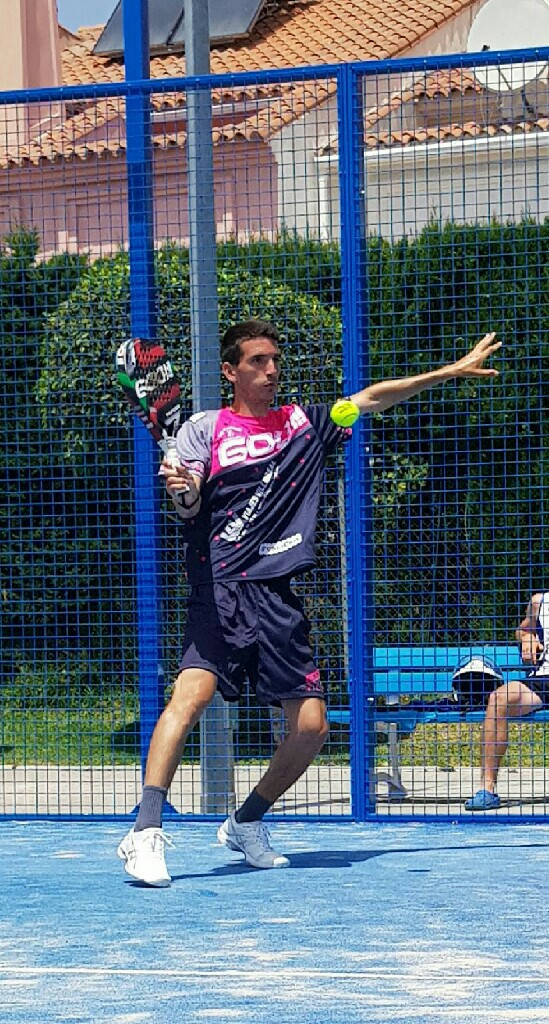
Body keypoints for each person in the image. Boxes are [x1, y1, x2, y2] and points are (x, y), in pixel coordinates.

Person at [117, 319, 500, 886]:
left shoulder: (306, 423)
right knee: (190, 698)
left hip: (278, 596)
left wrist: (448, 372)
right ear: (231, 371)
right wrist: (184, 490)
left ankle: (246, 822)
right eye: (258, 361)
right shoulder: (204, 429)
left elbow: (370, 399)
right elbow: (190, 502)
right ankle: (145, 831)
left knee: (313, 728)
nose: (271, 370)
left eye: (274, 359)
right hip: (220, 587)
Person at [465, 592, 549, 811]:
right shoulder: (540, 602)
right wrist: (527, 637)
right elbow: (523, 629)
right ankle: (487, 789)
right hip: (544, 679)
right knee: (498, 698)